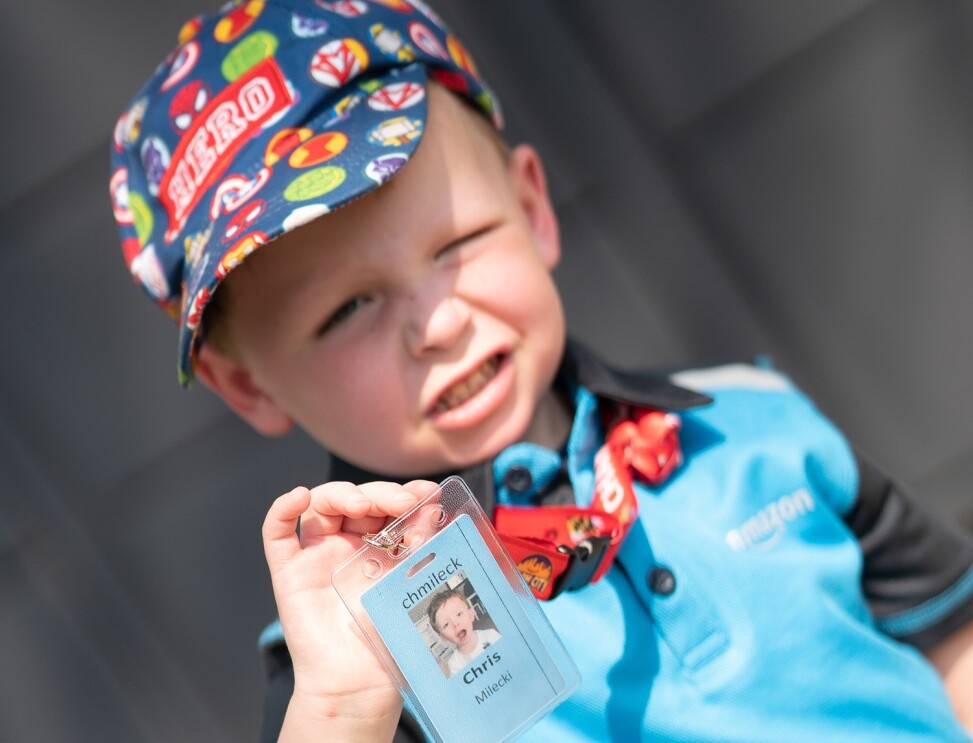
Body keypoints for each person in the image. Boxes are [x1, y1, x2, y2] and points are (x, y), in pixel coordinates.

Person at [109, 1, 973, 741]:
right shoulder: (345, 646)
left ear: (531, 209)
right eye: (347, 310)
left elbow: (951, 640)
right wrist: (342, 708)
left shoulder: (745, 415)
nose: (438, 322)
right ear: (250, 386)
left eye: (456, 244)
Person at [426, 588, 501, 677]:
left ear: (471, 615)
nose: (455, 624)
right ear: (443, 637)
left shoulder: (490, 636)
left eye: (459, 614)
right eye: (446, 624)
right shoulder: (455, 664)